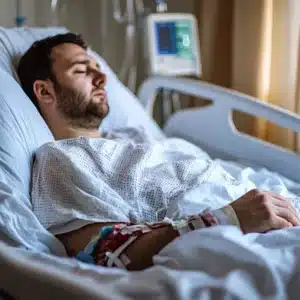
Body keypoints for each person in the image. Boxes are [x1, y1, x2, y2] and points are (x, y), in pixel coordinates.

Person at [17, 33, 300, 270]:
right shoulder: (61, 160)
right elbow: (107, 251)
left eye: (97, 68)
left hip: (275, 205)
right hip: (245, 235)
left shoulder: (136, 135)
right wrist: (228, 219)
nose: (102, 78)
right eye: (81, 70)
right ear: (44, 92)